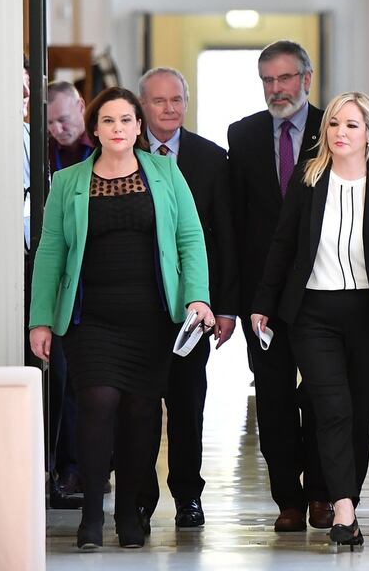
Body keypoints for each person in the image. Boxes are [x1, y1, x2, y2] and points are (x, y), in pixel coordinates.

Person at [29, 86, 214, 550]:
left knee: (140, 414)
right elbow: (50, 252)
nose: (118, 128)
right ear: (95, 128)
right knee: (97, 403)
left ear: (138, 127)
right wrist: (40, 320)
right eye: (108, 121)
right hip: (90, 318)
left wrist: (198, 298)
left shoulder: (166, 172)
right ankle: (92, 514)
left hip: (152, 320)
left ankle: (131, 512)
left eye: (126, 120)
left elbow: (191, 239)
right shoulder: (69, 181)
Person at [249, 91, 369, 548]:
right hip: (313, 313)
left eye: (351, 125)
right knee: (331, 408)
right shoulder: (309, 181)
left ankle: (337, 493)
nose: (340, 133)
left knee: (360, 412)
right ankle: (345, 512)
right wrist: (264, 303)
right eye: (333, 124)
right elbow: (283, 245)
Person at [227, 39, 332, 532]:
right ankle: (288, 500)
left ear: (306, 79)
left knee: (320, 396)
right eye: (268, 80)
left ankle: (322, 494)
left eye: (285, 78)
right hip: (263, 297)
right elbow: (236, 222)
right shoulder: (243, 134)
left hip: (321, 290)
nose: (276, 89)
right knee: (272, 398)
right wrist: (236, 299)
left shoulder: (335, 127)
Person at [134, 67, 239, 531]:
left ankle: (188, 497)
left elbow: (225, 241)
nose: (170, 108)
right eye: (159, 101)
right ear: (142, 107)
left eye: (177, 99)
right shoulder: (119, 154)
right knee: (136, 407)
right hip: (134, 307)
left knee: (187, 404)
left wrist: (225, 306)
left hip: (192, 310)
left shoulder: (212, 159)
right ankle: (139, 495)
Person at [40, 81, 96, 506]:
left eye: (63, 118)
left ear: (81, 105)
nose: (57, 129)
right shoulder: (42, 153)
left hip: (100, 281)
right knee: (62, 379)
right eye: (49, 123)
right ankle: (68, 468)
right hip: (60, 284)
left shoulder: (106, 148)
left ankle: (93, 466)